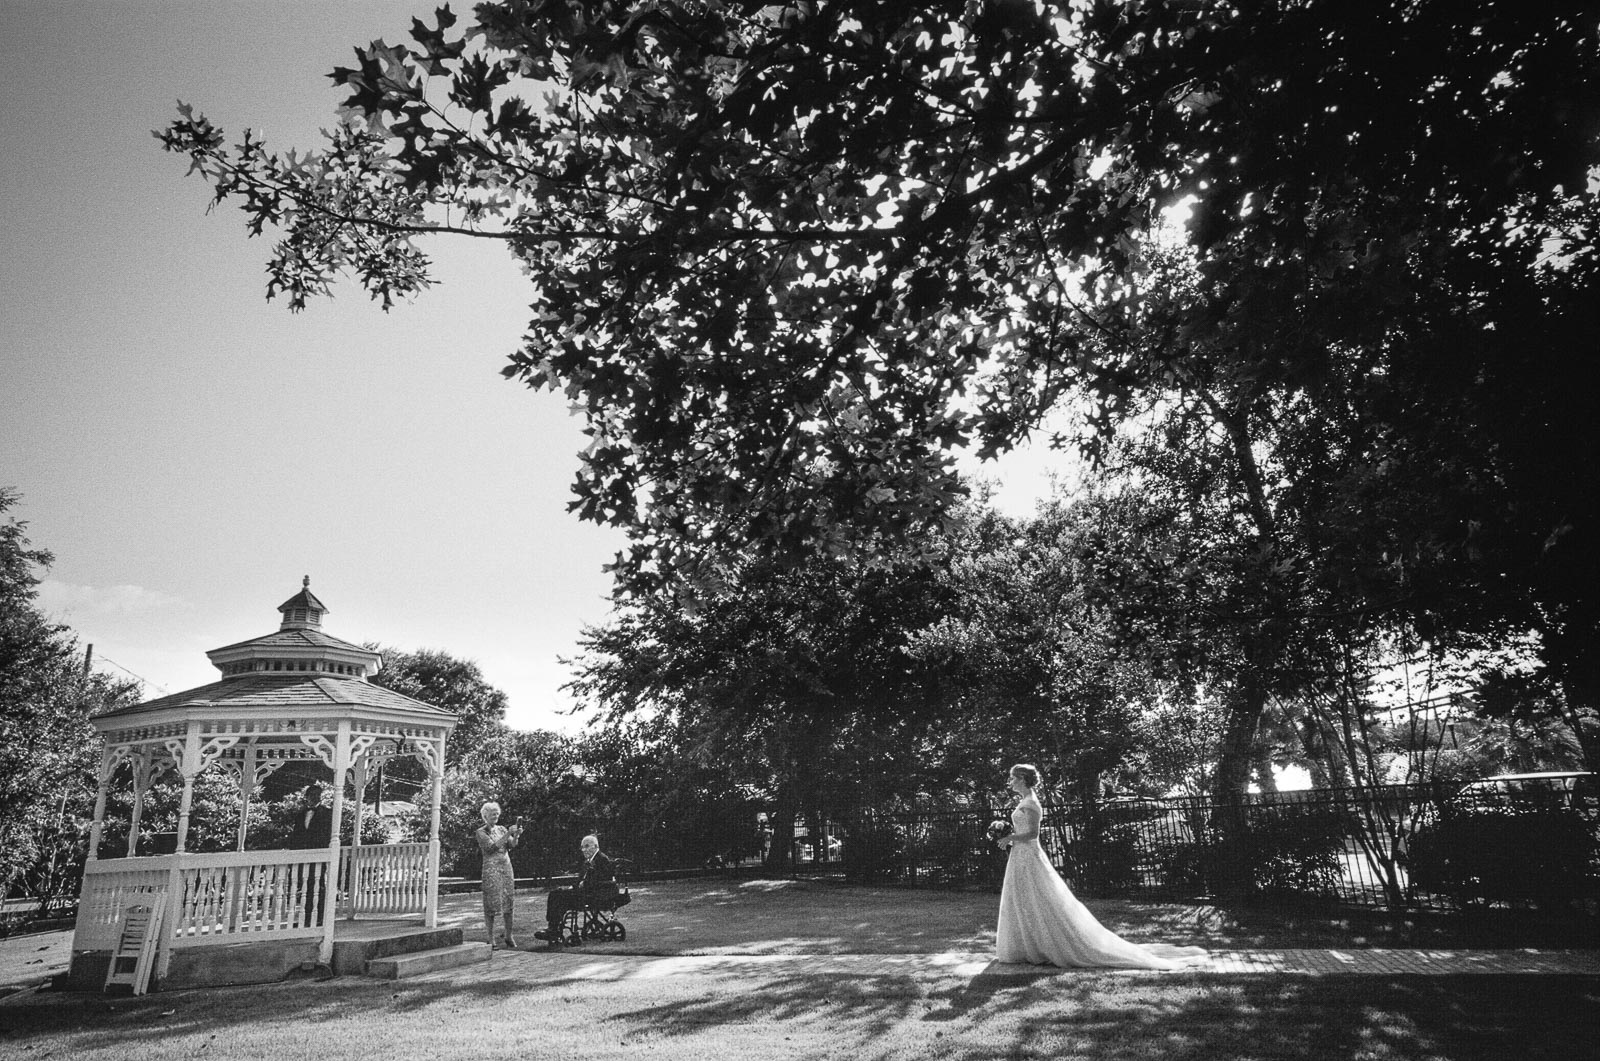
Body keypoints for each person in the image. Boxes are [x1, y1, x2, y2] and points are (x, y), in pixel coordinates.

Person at [995, 763, 1208, 970]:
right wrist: (1009, 837)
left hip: (1029, 855)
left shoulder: (1031, 803)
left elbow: (1033, 834)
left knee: (1038, 897)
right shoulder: (1025, 801)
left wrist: (1009, 836)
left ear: (1023, 779)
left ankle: (1050, 945)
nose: (1010, 781)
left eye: (1014, 777)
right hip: (1020, 855)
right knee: (1023, 897)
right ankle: (1028, 945)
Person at [533, 834, 617, 945]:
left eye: (587, 846)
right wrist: (575, 885)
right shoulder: (587, 862)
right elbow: (580, 879)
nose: (584, 850)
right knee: (555, 893)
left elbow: (602, 879)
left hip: (595, 894)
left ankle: (553, 929)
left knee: (560, 897)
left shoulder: (602, 859)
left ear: (596, 846)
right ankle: (553, 927)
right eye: (582, 847)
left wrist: (584, 883)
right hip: (585, 892)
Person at [476, 801, 522, 949]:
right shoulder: (481, 832)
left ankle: (509, 935)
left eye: (496, 813)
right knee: (491, 903)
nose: (495, 816)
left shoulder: (501, 828)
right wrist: (509, 833)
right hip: (491, 869)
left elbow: (512, 845)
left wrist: (515, 835)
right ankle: (491, 938)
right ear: (485, 816)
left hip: (506, 867)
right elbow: (491, 847)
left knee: (508, 901)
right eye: (492, 814)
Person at [288, 783, 334, 927]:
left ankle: (319, 917)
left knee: (318, 886)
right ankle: (305, 917)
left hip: (318, 856)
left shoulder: (327, 813)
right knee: (304, 887)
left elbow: (328, 835)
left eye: (317, 795)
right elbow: (296, 835)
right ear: (306, 797)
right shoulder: (301, 814)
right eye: (311, 795)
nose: (314, 798)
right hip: (303, 856)